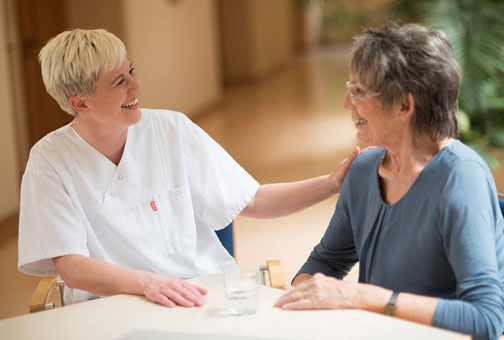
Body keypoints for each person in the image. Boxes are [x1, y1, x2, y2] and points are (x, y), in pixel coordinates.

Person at [17, 28, 361, 308]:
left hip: (202, 299)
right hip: (111, 307)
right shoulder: (50, 161)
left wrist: (331, 183)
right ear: (81, 103)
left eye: (131, 70)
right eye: (119, 82)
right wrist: (147, 284)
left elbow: (252, 201)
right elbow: (73, 268)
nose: (137, 86)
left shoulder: (172, 130)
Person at [275, 23, 504, 340]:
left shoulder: (461, 178)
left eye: (358, 92)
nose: (346, 103)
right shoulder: (363, 170)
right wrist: (302, 295)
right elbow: (325, 261)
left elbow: (487, 318)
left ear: (404, 106)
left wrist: (361, 297)